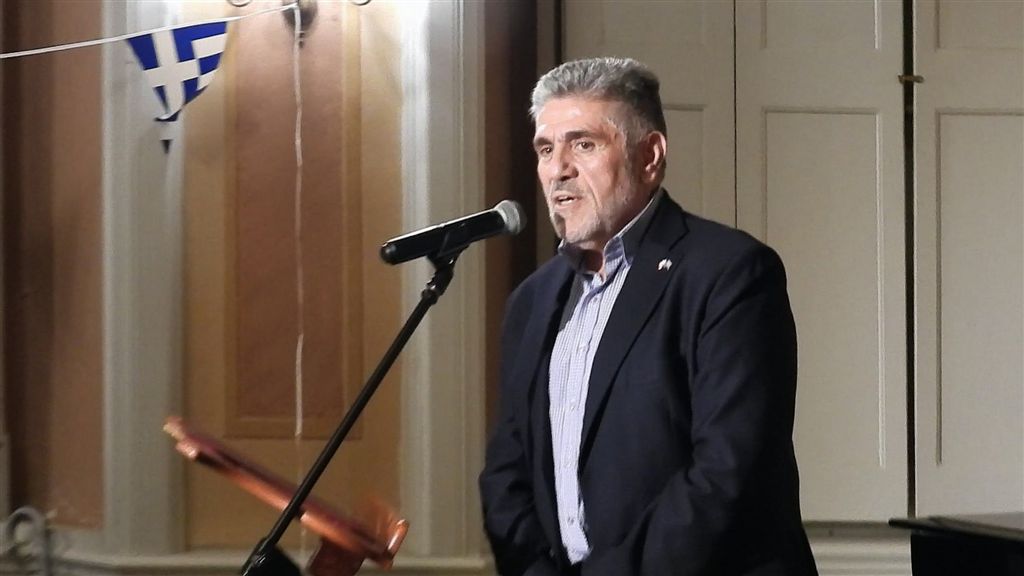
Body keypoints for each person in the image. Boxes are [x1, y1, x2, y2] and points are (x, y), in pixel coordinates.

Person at [478, 57, 818, 576]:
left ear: (650, 155)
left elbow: (727, 472)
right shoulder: (532, 302)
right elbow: (507, 473)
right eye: (546, 149)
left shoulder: (730, 274)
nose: (559, 169)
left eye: (583, 145)